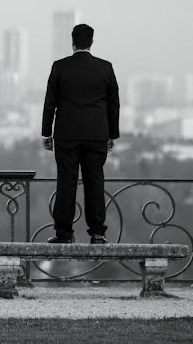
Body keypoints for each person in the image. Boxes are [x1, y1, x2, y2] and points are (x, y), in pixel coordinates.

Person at [41, 24, 120, 244]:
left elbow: (50, 103)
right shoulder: (105, 68)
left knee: (66, 181)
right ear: (92, 42)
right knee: (95, 181)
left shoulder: (60, 67)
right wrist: (112, 134)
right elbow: (114, 104)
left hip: (66, 134)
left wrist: (47, 133)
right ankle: (97, 233)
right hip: (96, 134)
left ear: (72, 42)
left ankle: (64, 234)